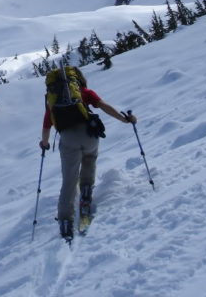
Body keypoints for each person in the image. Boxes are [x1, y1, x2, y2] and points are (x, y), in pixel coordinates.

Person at [39, 79, 136, 240]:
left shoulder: (53, 101)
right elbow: (104, 106)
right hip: (89, 135)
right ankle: (85, 193)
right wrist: (124, 119)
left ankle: (65, 221)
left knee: (69, 180)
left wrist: (45, 143)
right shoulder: (84, 92)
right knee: (89, 159)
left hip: (68, 139)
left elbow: (46, 126)